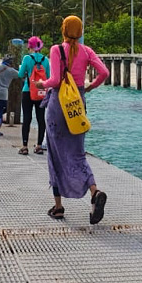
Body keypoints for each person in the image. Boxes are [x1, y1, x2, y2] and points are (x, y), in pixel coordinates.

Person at [34, 15, 109, 224]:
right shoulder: (87, 51)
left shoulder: (57, 50)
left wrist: (42, 84)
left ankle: (58, 207)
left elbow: (56, 80)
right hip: (78, 103)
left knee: (55, 154)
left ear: (64, 30)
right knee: (78, 153)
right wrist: (90, 86)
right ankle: (94, 192)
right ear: (81, 31)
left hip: (58, 105)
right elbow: (104, 72)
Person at [17, 36, 48, 155]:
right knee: (41, 119)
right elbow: (49, 76)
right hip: (41, 92)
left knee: (27, 118)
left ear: (29, 46)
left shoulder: (27, 58)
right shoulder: (45, 60)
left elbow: (20, 74)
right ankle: (39, 146)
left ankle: (24, 146)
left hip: (28, 90)